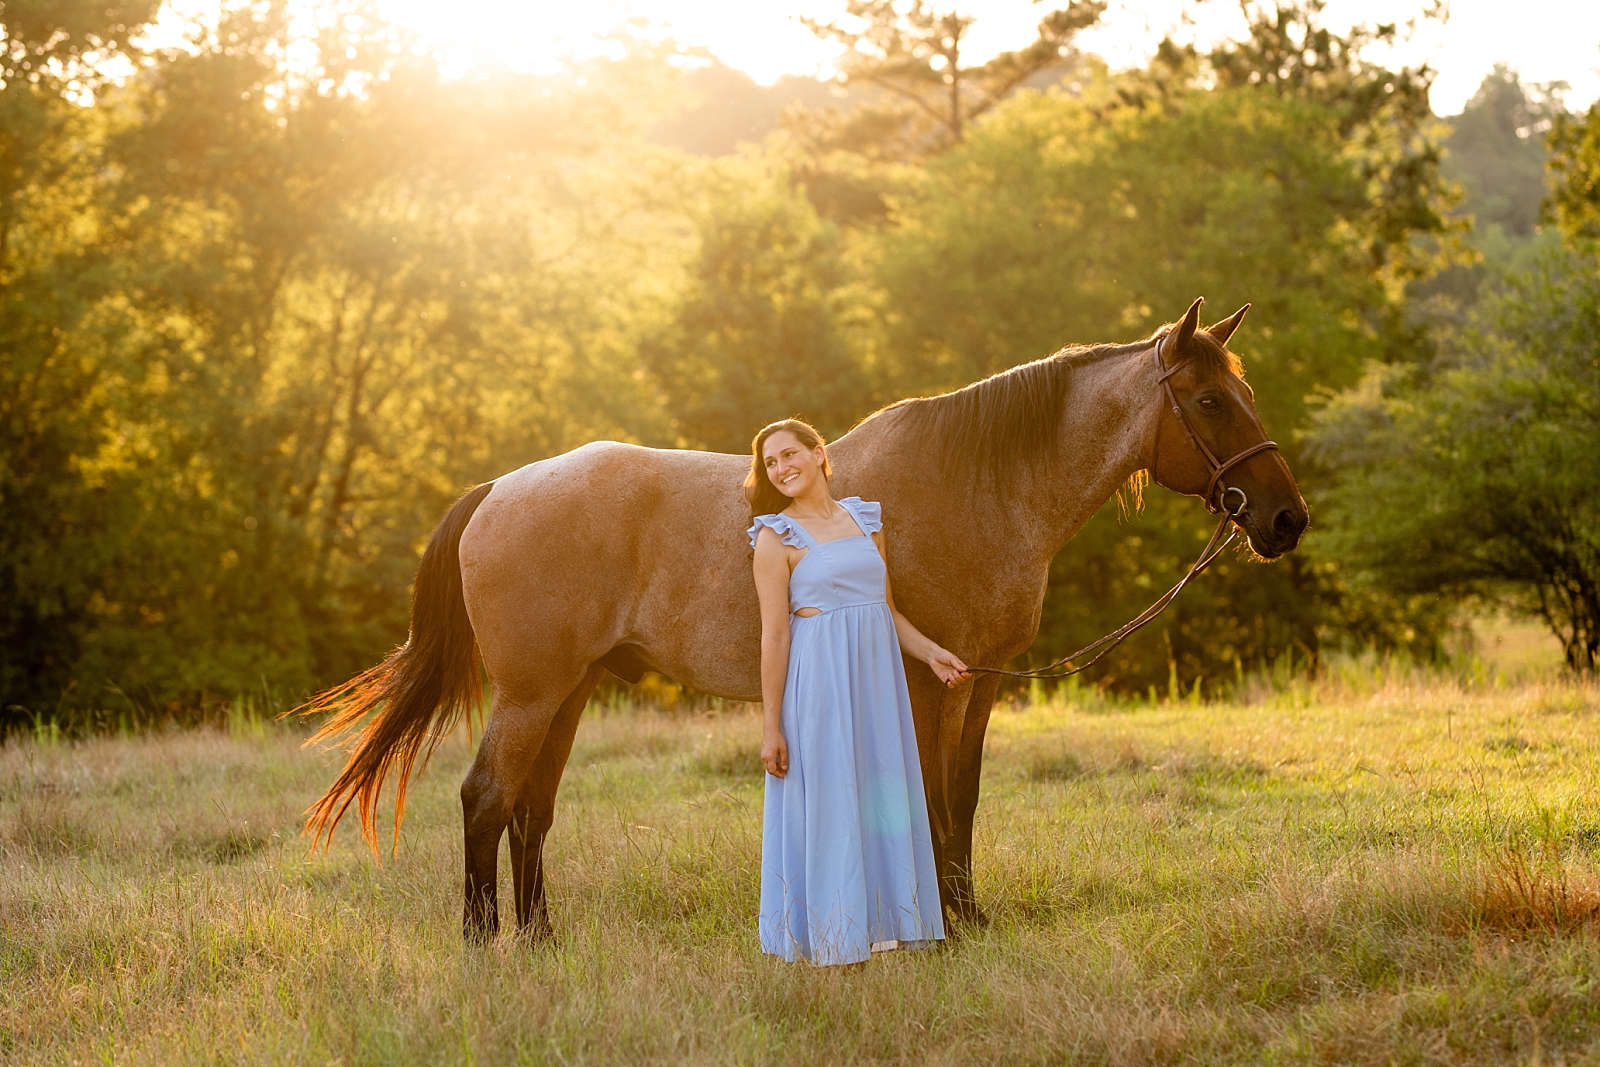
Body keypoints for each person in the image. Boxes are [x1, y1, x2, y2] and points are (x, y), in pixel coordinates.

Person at [746, 418, 968, 966]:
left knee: (879, 794)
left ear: (820, 453)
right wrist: (771, 725)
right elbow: (775, 635)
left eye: (790, 454)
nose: (781, 468)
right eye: (770, 463)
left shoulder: (865, 520)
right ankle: (832, 939)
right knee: (830, 799)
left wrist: (930, 652)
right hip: (819, 684)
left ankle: (887, 920)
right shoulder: (775, 538)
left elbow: (885, 609)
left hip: (877, 683)